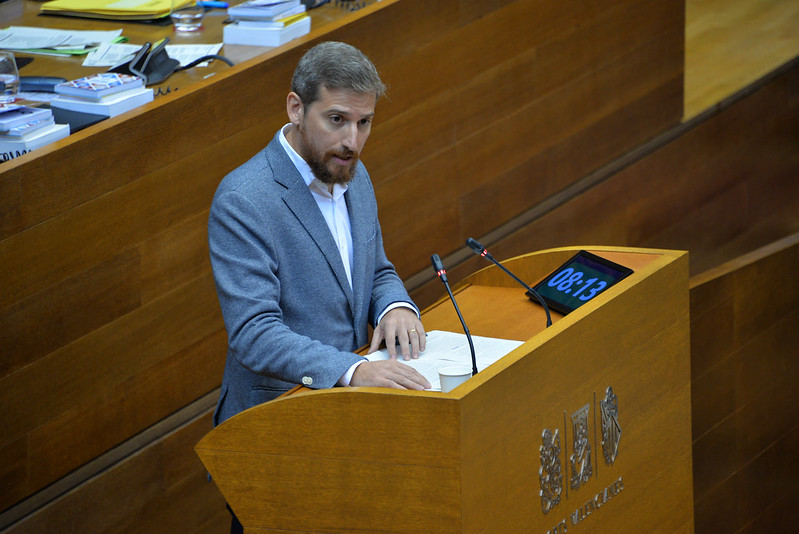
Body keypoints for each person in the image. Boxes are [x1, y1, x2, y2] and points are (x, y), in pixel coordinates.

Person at [208, 39, 431, 515]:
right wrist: (354, 371)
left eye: (364, 122)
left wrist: (394, 305)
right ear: (295, 107)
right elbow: (254, 333)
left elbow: (376, 270)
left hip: (349, 429)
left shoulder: (353, 173)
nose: (353, 139)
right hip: (278, 434)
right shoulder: (244, 199)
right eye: (337, 120)